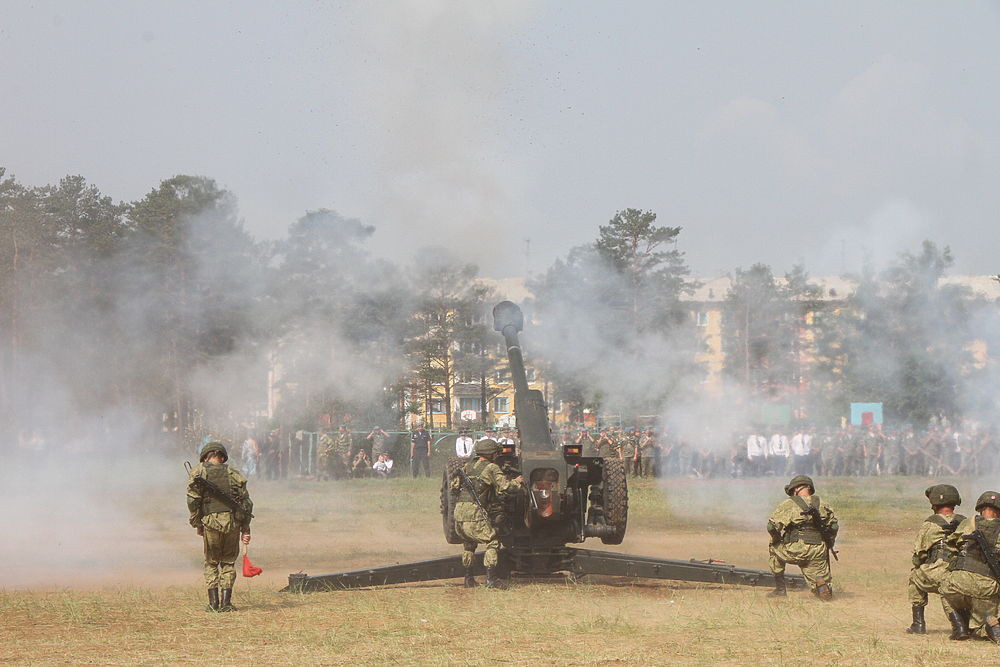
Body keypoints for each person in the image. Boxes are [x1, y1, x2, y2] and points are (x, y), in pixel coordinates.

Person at [186, 441, 253, 612]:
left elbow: (193, 501)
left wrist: (196, 523)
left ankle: (213, 603)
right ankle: (226, 603)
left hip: (211, 522)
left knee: (211, 562)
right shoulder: (234, 474)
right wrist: (245, 529)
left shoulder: (198, 471)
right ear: (222, 457)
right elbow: (247, 504)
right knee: (228, 562)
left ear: (205, 457)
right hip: (233, 522)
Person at [449, 439, 524, 588]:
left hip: (458, 513)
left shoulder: (467, 466)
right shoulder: (491, 468)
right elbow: (505, 488)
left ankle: (468, 579)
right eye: (496, 452)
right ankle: (491, 579)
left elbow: (454, 487)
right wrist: (517, 481)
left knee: (469, 545)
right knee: (492, 542)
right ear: (492, 454)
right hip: (474, 512)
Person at [939, 491, 1000, 643]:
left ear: (980, 508)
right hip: (987, 586)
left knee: (944, 589)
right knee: (987, 618)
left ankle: (959, 627)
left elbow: (952, 544)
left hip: (958, 582)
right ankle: (990, 628)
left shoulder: (969, 522)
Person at [766, 474, 839, 600]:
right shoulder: (823, 504)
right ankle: (821, 586)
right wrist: (830, 542)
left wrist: (777, 539)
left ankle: (780, 590)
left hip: (796, 549)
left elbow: (771, 527)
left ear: (795, 489)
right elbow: (834, 527)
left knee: (774, 549)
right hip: (818, 550)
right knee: (816, 574)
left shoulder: (789, 504)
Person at [905, 484, 965, 635]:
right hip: (963, 572)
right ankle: (963, 625)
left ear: (934, 504)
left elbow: (919, 555)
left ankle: (918, 624)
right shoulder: (966, 522)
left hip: (939, 570)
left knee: (914, 577)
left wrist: (920, 564)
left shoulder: (930, 524)